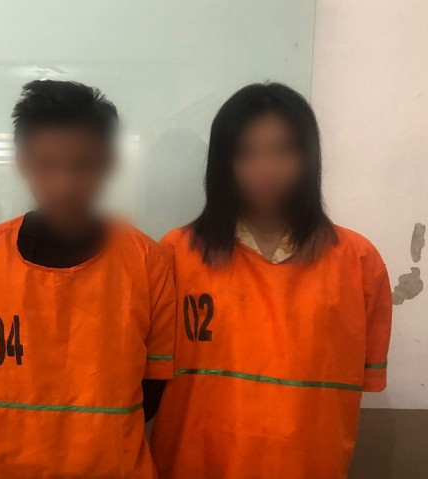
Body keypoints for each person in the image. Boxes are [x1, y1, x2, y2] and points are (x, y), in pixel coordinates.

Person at [150, 83, 392, 479]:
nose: (266, 167)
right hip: (196, 463)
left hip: (308, 465)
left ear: (309, 157)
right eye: (246, 153)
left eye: (283, 150)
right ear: (222, 163)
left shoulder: (358, 261)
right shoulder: (176, 254)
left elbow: (361, 381)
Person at [0, 80, 176, 478]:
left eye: (82, 166)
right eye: (47, 165)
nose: (64, 184)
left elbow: (152, 388)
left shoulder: (145, 261)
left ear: (107, 163)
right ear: (23, 162)